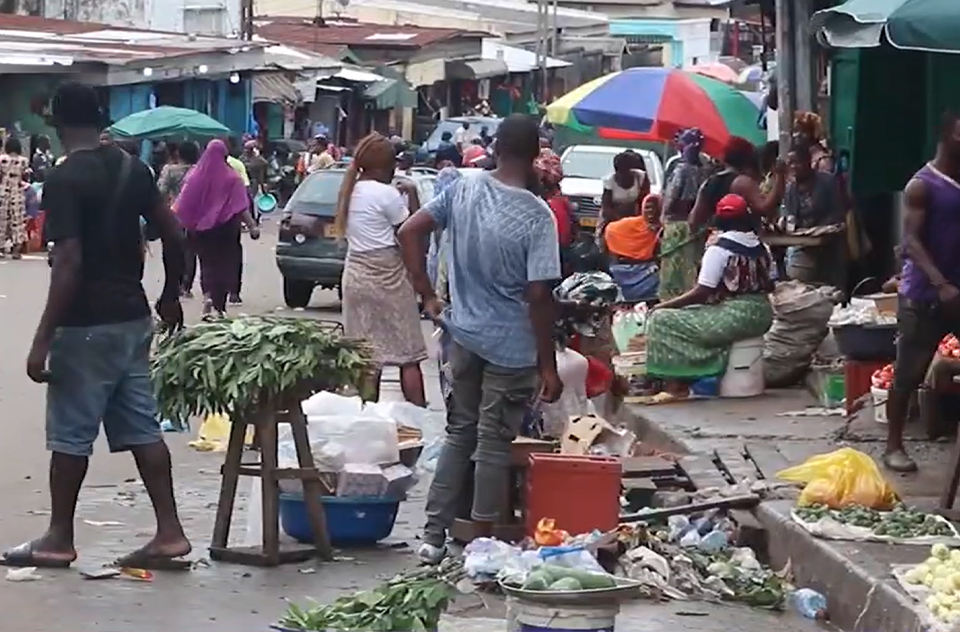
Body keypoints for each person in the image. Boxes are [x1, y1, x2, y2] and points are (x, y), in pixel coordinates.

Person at [2, 81, 190, 570]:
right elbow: (174, 234)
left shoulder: (65, 179)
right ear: (102, 119)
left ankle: (58, 538)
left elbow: (68, 261)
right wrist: (171, 295)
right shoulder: (135, 168)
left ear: (59, 124)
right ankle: (169, 531)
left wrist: (42, 339)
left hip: (86, 324)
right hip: (133, 317)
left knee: (70, 435)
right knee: (144, 429)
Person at [397, 114, 563, 564]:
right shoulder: (537, 216)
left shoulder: (465, 188)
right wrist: (547, 365)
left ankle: (433, 537)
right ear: (534, 155)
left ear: (496, 149)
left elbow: (410, 230)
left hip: (462, 336)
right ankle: (482, 543)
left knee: (459, 434)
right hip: (510, 347)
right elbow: (538, 295)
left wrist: (427, 294)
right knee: (492, 443)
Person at [885, 112, 960, 473]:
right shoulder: (923, 185)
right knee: (908, 373)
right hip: (924, 297)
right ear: (948, 137)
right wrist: (940, 282)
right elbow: (911, 242)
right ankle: (894, 445)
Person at [645, 194, 774, 400]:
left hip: (736, 316)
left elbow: (702, 292)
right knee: (690, 314)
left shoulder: (719, 249)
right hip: (764, 314)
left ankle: (675, 386)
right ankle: (686, 380)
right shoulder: (762, 246)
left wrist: (664, 306)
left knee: (662, 321)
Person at [335, 133, 427, 406]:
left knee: (366, 357)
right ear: (385, 166)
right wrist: (411, 195)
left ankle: (366, 418)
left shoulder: (349, 191)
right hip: (388, 274)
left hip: (356, 273)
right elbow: (411, 233)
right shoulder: (388, 194)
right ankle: (419, 421)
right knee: (408, 354)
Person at [175, 139, 259, 318]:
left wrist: (176, 224)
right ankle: (219, 306)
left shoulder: (194, 176)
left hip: (201, 230)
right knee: (225, 264)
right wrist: (252, 226)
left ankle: (207, 297)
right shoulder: (232, 177)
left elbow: (183, 203)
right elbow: (241, 206)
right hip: (226, 228)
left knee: (207, 263)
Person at [782, 143, 846, 287]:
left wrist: (820, 229)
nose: (793, 166)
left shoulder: (827, 182)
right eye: (790, 163)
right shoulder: (791, 190)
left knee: (832, 289)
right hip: (804, 247)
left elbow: (838, 211)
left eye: (796, 162)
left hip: (830, 247)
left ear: (807, 161)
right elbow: (791, 217)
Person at [690, 138, 786, 231]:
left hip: (715, 240)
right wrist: (780, 177)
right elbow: (765, 208)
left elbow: (693, 220)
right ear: (748, 158)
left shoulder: (709, 182)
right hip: (741, 241)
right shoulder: (743, 183)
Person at [659, 128, 705, 300]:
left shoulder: (681, 169)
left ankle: (670, 300)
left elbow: (672, 197)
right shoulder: (705, 169)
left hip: (676, 224)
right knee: (691, 266)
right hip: (696, 224)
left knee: (673, 269)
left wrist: (663, 217)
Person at [158, 141, 201, 297]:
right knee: (190, 251)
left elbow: (161, 191)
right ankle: (186, 286)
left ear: (178, 154)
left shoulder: (169, 170)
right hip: (195, 215)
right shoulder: (200, 171)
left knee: (172, 249)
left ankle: (174, 283)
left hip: (174, 214)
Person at [605, 193, 662, 302]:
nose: (651, 211)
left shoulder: (664, 229)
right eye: (648, 207)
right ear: (642, 208)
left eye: (655, 208)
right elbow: (610, 230)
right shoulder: (630, 224)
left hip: (647, 272)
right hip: (622, 269)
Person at [598, 150, 650, 243]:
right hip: (613, 219)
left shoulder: (641, 177)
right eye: (620, 171)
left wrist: (637, 220)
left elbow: (644, 201)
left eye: (626, 170)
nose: (623, 174)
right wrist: (621, 222)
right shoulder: (609, 181)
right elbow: (606, 207)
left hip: (635, 217)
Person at [0, 137, 29, 258]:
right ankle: (16, 251)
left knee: (2, 220)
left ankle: (1, 249)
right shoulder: (24, 161)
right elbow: (26, 176)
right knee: (17, 221)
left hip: (3, 192)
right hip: (17, 192)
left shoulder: (1, 159)